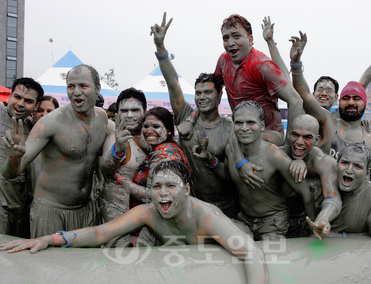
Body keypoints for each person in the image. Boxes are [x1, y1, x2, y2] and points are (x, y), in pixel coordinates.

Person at [0, 160, 268, 284]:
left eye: (171, 186)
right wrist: (53, 238)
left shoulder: (207, 217)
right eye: (157, 186)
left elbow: (252, 253)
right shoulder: (149, 211)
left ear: (186, 189)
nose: (163, 193)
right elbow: (101, 233)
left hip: (231, 237)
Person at [289, 24, 371, 230]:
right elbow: (304, 95)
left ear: (364, 104)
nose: (350, 102)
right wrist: (295, 64)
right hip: (323, 204)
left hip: (358, 208)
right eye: (346, 98)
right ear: (339, 102)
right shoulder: (328, 123)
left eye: (356, 98)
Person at [1, 64, 108, 238]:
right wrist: (13, 158)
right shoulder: (50, 123)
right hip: (50, 211)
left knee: (82, 264)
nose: (76, 92)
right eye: (71, 86)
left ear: (97, 89)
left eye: (83, 86)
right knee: (48, 265)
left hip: (86, 209)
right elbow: (9, 173)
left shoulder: (102, 118)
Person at [150, 13, 239, 218]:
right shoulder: (185, 117)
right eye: (198, 93)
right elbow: (173, 84)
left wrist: (209, 159)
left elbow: (232, 175)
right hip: (191, 205)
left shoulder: (230, 128)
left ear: (219, 95)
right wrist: (161, 48)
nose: (202, 97)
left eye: (208, 92)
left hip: (225, 207)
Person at [194, 101, 316, 240]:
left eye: (251, 122)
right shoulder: (231, 149)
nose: (244, 128)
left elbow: (306, 192)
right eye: (239, 123)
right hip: (245, 220)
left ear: (262, 126)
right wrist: (209, 159)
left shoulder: (275, 156)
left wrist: (313, 227)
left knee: (270, 256)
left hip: (273, 222)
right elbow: (229, 176)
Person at [307, 144, 371, 239]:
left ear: (367, 172)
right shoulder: (322, 185)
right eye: (345, 163)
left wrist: (339, 236)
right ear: (336, 164)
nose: (349, 170)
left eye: (357, 166)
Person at [281, 114, 342, 238]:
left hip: (309, 217)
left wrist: (324, 217)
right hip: (279, 218)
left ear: (317, 140)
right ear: (288, 134)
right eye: (295, 135)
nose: (299, 142)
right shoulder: (278, 155)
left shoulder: (323, 162)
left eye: (307, 137)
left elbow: (333, 196)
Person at [116, 107, 191, 204]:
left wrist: (117, 178)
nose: (149, 131)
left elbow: (151, 195)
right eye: (146, 126)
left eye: (156, 127)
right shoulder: (166, 147)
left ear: (169, 130)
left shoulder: (164, 153)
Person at [0, 77, 43, 238]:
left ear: (36, 105)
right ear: (10, 96)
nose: (20, 103)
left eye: (28, 100)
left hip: (21, 207)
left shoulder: (34, 129)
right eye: (17, 97)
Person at [99, 88, 148, 222]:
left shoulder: (151, 136)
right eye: (124, 111)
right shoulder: (114, 139)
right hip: (117, 214)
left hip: (144, 214)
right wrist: (118, 150)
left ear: (145, 112)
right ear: (118, 114)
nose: (129, 115)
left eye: (135, 110)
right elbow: (106, 170)